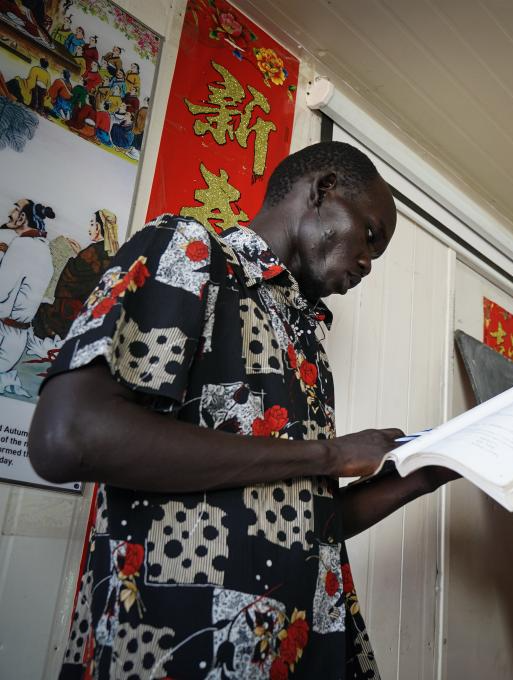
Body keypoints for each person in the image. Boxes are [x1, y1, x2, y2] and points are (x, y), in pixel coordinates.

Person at [29, 142, 458, 679]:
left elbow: (301, 523)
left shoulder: (307, 344)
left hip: (296, 653)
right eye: (370, 235)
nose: (368, 263)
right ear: (323, 190)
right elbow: (68, 436)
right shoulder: (191, 252)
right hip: (176, 652)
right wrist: (328, 454)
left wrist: (426, 474)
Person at [34, 208, 119, 340]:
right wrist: (80, 254)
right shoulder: (110, 253)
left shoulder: (94, 251)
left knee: (40, 315)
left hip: (71, 311)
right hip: (90, 312)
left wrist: (75, 257)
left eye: (92, 224)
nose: (89, 229)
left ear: (98, 228)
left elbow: (72, 276)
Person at [0, 198, 54, 397]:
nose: (9, 213)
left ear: (23, 217)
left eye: (15, 209)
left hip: (3, 334)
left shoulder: (21, 246)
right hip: (17, 339)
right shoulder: (43, 248)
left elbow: (1, 292)